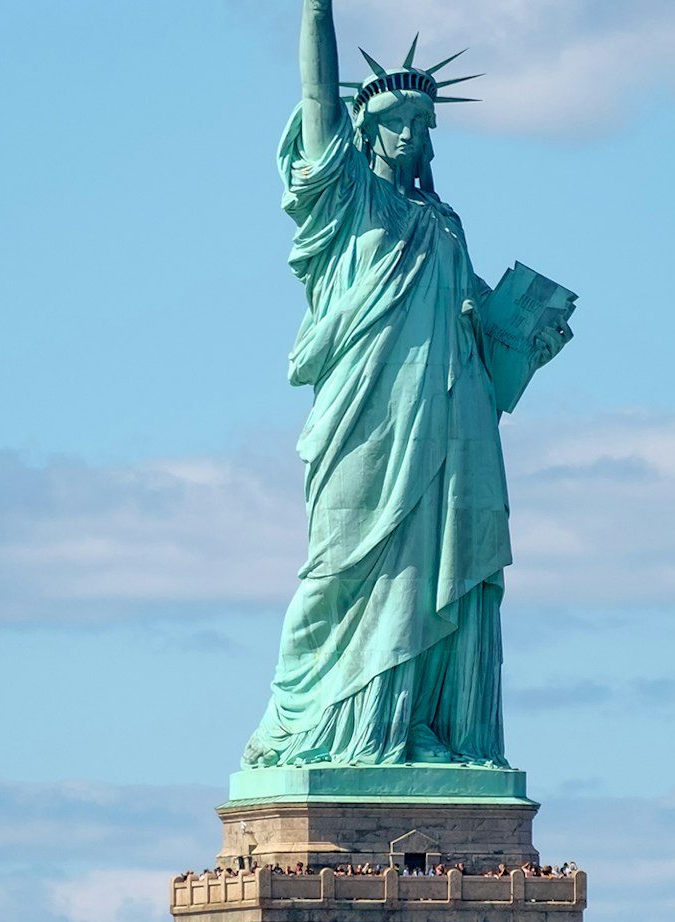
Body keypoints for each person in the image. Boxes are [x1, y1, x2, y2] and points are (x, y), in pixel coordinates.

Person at [242, 1, 571, 768]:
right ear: (368, 130)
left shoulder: (445, 222)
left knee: (432, 573)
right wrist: (316, 10)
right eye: (398, 120)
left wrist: (523, 332)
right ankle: (322, 724)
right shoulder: (351, 201)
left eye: (424, 123)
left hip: (453, 419)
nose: (414, 134)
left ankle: (413, 724)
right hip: (369, 416)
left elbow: (482, 328)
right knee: (344, 563)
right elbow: (319, 100)